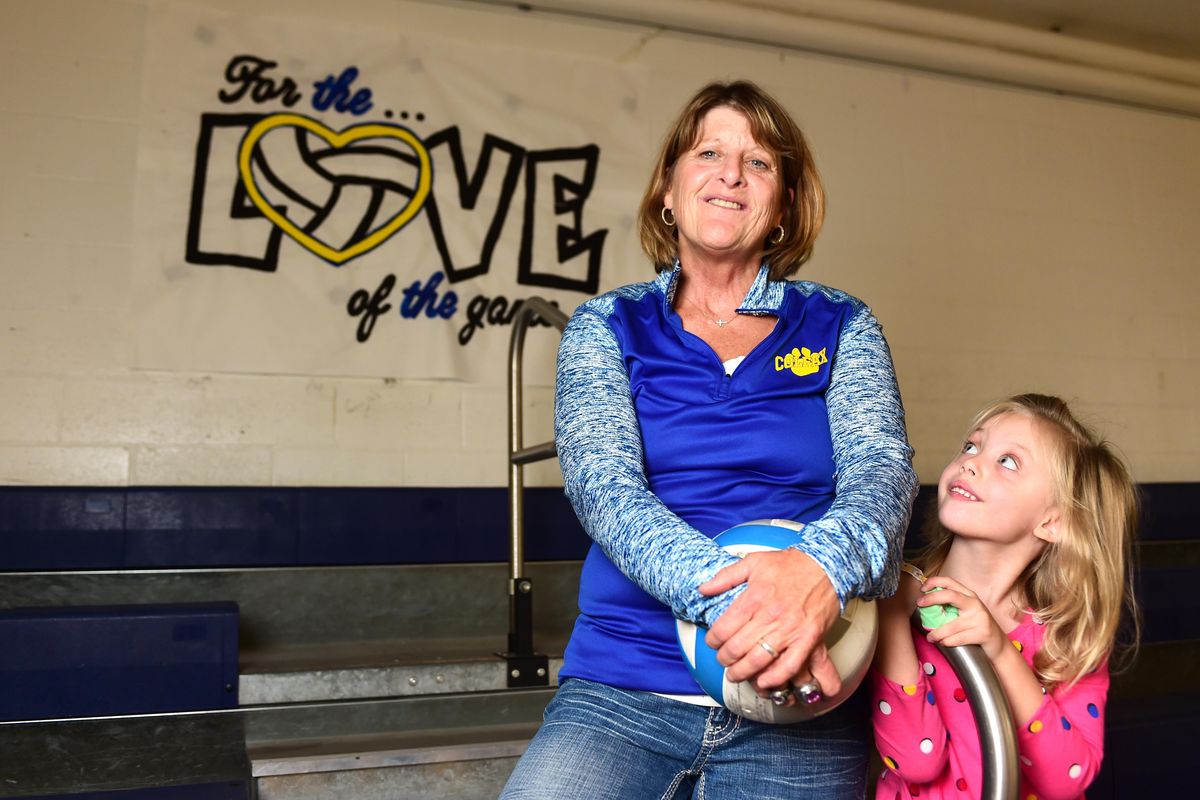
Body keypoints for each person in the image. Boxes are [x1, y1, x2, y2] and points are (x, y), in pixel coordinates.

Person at [500, 79, 918, 800]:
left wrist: (820, 570)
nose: (731, 173)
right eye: (709, 153)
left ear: (783, 204)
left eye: (758, 163)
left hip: (803, 691)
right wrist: (741, 603)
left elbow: (883, 475)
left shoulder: (842, 324)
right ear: (668, 189)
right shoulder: (607, 326)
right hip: (624, 688)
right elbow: (605, 489)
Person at [871, 393, 1140, 800]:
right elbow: (917, 760)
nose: (971, 462)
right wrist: (890, 613)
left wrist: (997, 650)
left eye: (1008, 461)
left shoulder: (1066, 641)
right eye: (971, 446)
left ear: (1053, 521)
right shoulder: (897, 605)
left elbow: (1066, 780)